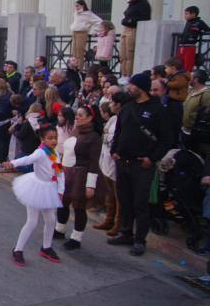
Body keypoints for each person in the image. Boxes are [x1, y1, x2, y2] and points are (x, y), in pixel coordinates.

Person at [109, 73, 173, 256]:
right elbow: (119, 131)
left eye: (132, 86)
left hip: (142, 165)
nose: (129, 88)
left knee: (140, 203)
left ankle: (139, 240)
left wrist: (152, 158)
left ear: (141, 88)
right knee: (125, 200)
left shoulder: (158, 110)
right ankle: (126, 233)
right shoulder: (128, 107)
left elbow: (167, 139)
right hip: (123, 162)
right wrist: (115, 150)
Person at [1, 125, 64, 266]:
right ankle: (18, 250)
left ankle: (46, 247)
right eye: (50, 138)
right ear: (42, 139)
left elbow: (60, 173)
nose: (54, 141)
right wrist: (12, 163)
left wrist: (61, 190)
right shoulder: (40, 152)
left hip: (50, 189)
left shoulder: (56, 153)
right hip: (36, 188)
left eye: (55, 138)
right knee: (32, 222)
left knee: (51, 220)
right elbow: (27, 159)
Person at [53, 106, 101, 251]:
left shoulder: (94, 138)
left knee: (79, 207)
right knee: (62, 202)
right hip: (67, 172)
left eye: (80, 115)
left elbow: (94, 162)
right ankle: (59, 229)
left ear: (89, 118)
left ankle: (76, 238)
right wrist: (58, 170)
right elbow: (65, 154)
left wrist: (90, 185)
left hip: (81, 174)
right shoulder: (75, 131)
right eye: (77, 115)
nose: (77, 117)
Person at [94, 98, 122, 235]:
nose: (110, 104)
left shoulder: (122, 119)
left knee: (118, 195)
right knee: (109, 193)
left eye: (113, 102)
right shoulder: (113, 119)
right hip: (105, 158)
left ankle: (118, 224)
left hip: (115, 161)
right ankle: (108, 220)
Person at [119, 0, 151, 78]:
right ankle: (123, 74)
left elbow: (145, 18)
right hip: (125, 29)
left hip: (133, 30)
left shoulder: (143, 5)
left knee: (129, 54)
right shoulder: (131, 4)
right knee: (122, 55)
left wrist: (130, 20)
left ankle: (129, 75)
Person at [69, 0, 102, 69]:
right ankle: (73, 68)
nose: (76, 7)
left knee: (79, 53)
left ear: (82, 5)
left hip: (82, 33)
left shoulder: (88, 14)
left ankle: (79, 69)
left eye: (77, 6)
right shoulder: (76, 14)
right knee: (74, 52)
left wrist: (94, 31)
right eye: (75, 6)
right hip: (74, 32)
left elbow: (99, 21)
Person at [178, 6, 208, 71]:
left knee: (188, 65)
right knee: (179, 65)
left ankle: (187, 79)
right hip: (181, 46)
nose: (185, 16)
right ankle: (180, 78)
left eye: (186, 14)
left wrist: (201, 32)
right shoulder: (188, 22)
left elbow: (207, 29)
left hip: (190, 47)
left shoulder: (200, 22)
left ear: (193, 14)